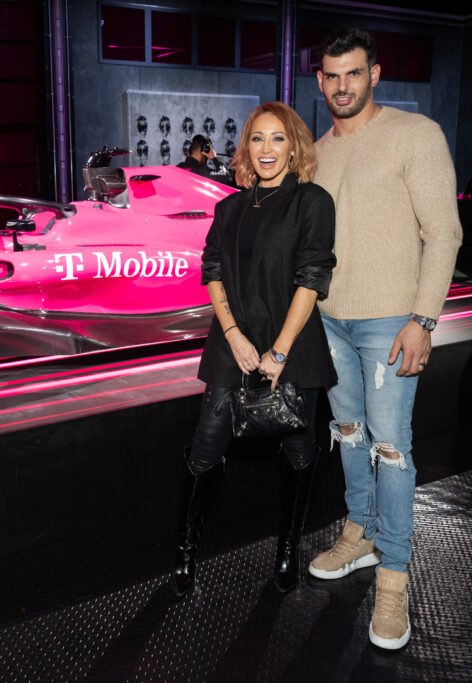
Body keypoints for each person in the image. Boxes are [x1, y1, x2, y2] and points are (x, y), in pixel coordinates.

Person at [307, 28, 462, 650]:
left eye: (353, 73)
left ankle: (394, 574)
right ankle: (360, 532)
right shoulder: (315, 152)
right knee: (347, 435)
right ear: (320, 82)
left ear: (375, 75)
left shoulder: (414, 134)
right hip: (329, 321)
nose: (342, 86)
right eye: (331, 76)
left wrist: (423, 318)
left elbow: (444, 232)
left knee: (391, 446)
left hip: (390, 321)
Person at [171, 102, 336, 599]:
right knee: (206, 447)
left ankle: (288, 550)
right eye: (258, 139)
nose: (267, 149)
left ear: (294, 146)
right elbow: (212, 270)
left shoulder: (312, 201)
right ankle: (185, 553)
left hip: (293, 343)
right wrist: (236, 336)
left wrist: (279, 352)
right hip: (232, 345)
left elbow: (312, 278)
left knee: (299, 447)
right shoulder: (229, 207)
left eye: (278, 138)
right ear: (246, 148)